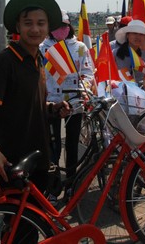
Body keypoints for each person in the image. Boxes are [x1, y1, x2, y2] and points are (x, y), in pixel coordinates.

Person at [0, 0, 70, 198]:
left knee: (34, 213)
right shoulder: (4, 62)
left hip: (38, 155)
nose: (35, 29)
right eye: (28, 23)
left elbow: (28, 103)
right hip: (14, 160)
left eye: (41, 23)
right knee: (19, 215)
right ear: (18, 27)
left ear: (48, 27)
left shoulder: (38, 59)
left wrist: (52, 108)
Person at [39, 10, 95, 182]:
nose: (60, 29)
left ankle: (71, 180)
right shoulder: (42, 48)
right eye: (56, 26)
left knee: (72, 144)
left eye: (63, 25)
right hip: (51, 103)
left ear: (69, 26)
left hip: (75, 102)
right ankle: (54, 182)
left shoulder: (80, 47)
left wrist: (84, 89)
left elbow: (88, 72)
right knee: (53, 146)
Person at [113, 19, 145, 88]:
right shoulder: (115, 53)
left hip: (140, 92)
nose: (138, 37)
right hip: (120, 91)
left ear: (144, 37)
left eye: (141, 34)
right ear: (127, 35)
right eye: (134, 33)